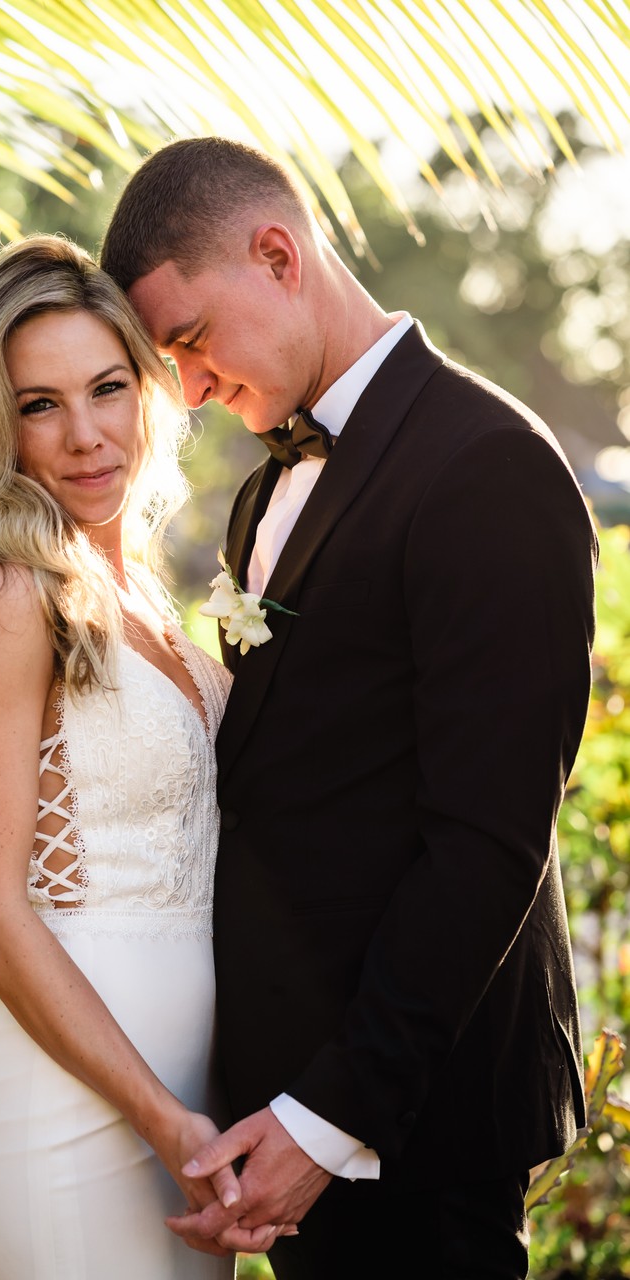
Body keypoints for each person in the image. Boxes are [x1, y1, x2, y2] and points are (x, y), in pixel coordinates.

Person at [101, 137, 598, 1279]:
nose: (188, 388)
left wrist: (329, 1119)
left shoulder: (489, 466)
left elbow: (487, 841)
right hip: (284, 1110)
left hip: (412, 1122)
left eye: (190, 340)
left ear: (278, 255)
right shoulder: (259, 494)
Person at [0, 234, 283, 1278]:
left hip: (187, 1111)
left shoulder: (148, 595)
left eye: (106, 388)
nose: (84, 435)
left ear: (149, 388)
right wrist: (160, 1114)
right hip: (66, 1119)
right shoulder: (5, 594)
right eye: (39, 404)